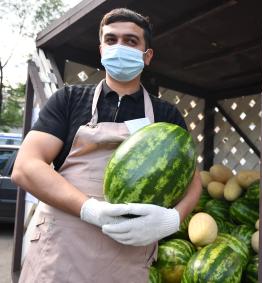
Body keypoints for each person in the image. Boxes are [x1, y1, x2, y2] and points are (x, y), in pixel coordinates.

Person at [12, 8, 202, 283]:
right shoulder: (69, 99)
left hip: (126, 260)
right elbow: (26, 167)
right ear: (101, 50)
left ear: (147, 56)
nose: (120, 47)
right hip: (61, 254)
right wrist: (91, 209)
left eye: (131, 41)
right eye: (111, 40)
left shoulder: (166, 116)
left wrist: (173, 219)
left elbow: (193, 182)